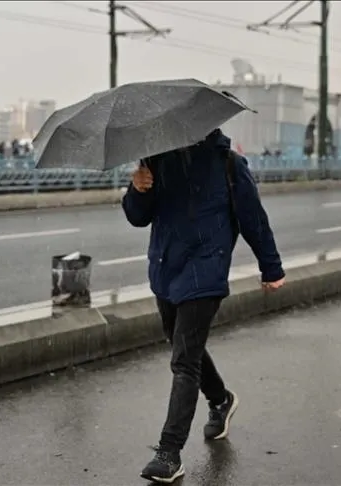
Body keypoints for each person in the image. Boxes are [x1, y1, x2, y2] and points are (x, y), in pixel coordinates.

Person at [122, 128, 285, 484]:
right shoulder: (157, 160)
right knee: (183, 346)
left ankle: (169, 453)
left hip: (206, 270)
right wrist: (138, 189)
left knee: (183, 360)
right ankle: (221, 399)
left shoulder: (228, 164)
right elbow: (138, 217)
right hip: (167, 269)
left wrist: (270, 267)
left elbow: (253, 219)